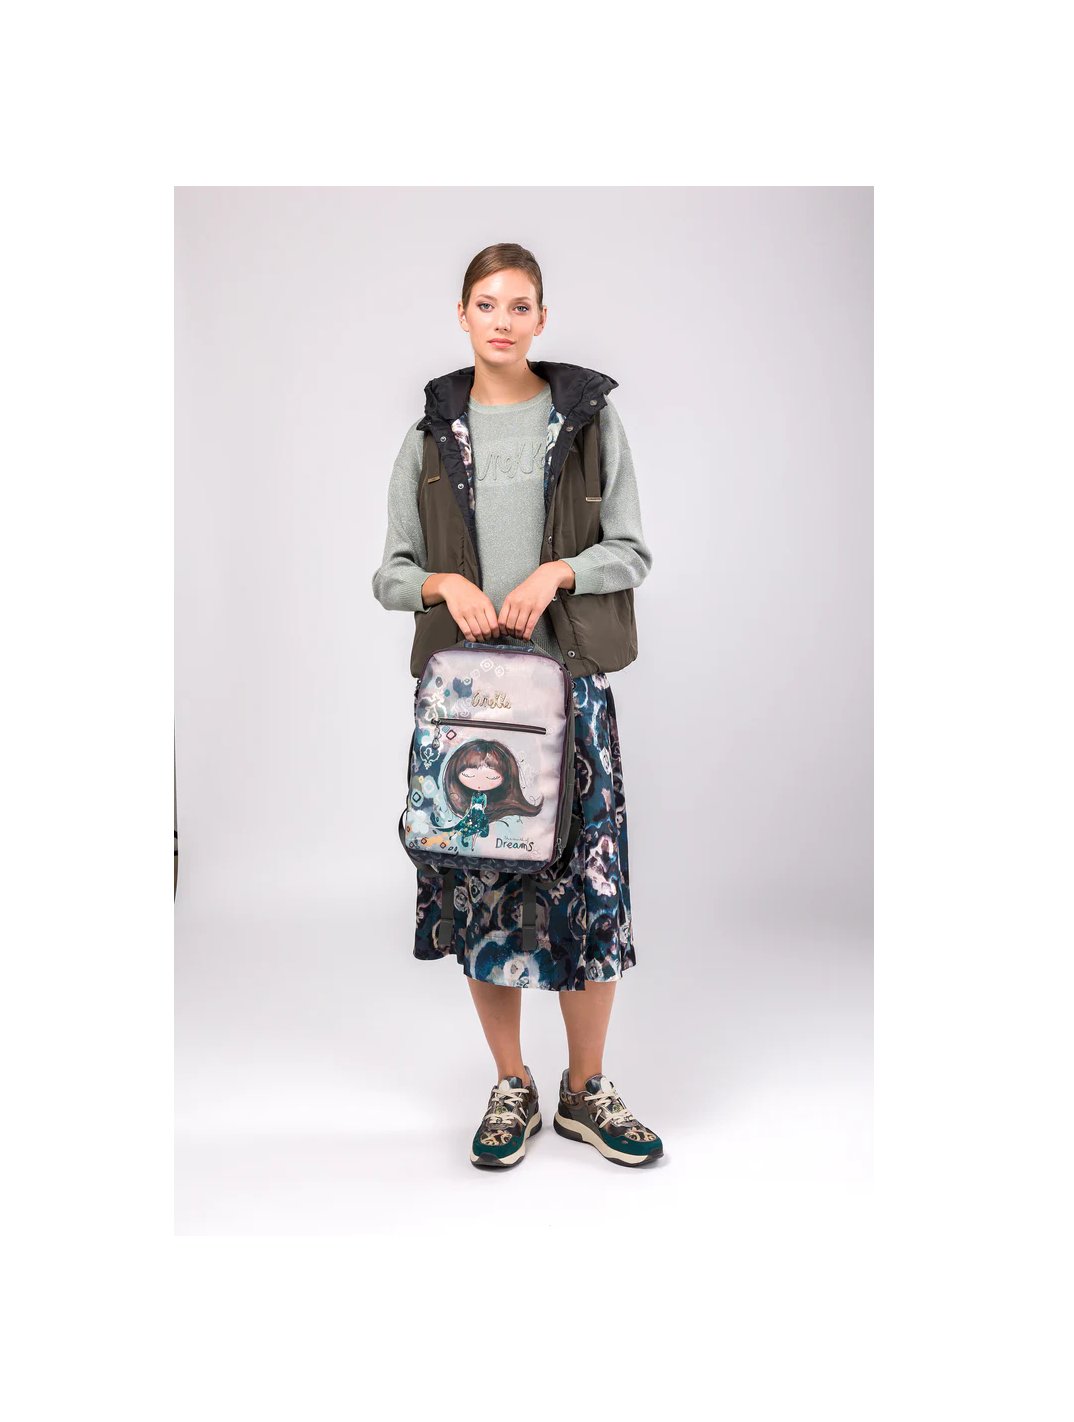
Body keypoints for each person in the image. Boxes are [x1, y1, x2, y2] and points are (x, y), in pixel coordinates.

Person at [372, 242, 663, 1169]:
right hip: (468, 702)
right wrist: (441, 584)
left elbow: (631, 550)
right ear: (462, 315)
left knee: (590, 889)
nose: (503, 321)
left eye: (520, 305)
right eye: (487, 304)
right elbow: (390, 574)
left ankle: (586, 1090)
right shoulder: (429, 439)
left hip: (568, 688)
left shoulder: (589, 425)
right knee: (480, 887)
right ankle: (512, 1084)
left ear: (542, 319)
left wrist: (558, 571)